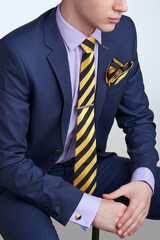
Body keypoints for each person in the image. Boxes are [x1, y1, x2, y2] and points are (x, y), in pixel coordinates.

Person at [0, 0, 159, 239]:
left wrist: (143, 180)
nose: (123, 6)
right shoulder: (17, 51)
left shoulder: (123, 32)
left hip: (87, 163)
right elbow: (8, 161)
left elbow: (137, 118)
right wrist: (91, 210)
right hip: (21, 178)